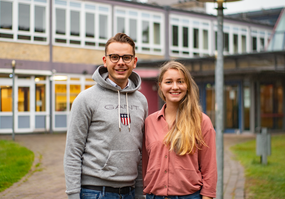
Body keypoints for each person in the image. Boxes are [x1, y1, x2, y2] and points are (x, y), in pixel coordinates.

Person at [64, 33, 148, 199]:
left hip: (130, 192)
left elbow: (140, 152)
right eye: (114, 57)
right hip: (95, 192)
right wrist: (73, 195)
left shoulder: (141, 101)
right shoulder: (86, 99)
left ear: (134, 61)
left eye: (126, 57)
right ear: (105, 60)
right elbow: (73, 152)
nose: (121, 62)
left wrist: (140, 193)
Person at [142, 61, 217, 199]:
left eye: (180, 81)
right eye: (169, 82)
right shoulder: (149, 122)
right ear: (160, 86)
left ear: (187, 85)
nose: (175, 87)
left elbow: (209, 169)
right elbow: (145, 165)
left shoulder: (202, 121)